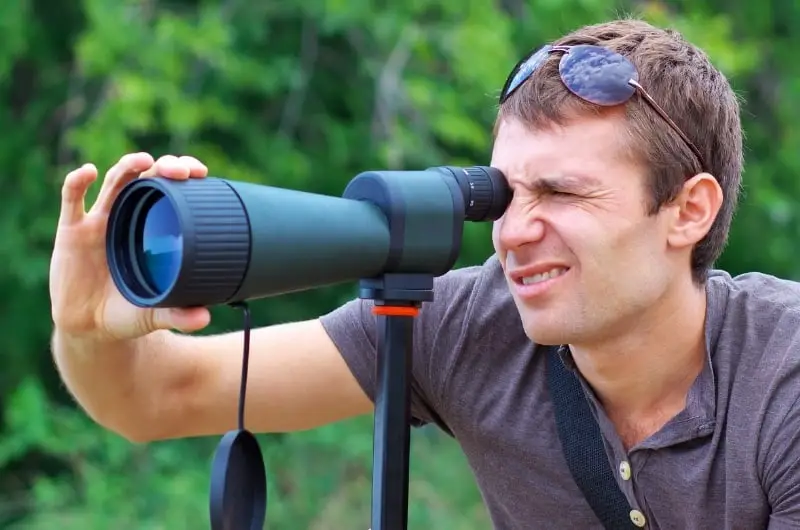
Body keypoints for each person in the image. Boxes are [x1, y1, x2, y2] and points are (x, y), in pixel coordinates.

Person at [49, 18, 800, 529]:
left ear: (687, 211)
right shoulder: (467, 324)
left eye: (563, 193)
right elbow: (154, 398)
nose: (513, 232)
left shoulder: (782, 374)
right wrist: (88, 326)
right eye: (504, 194)